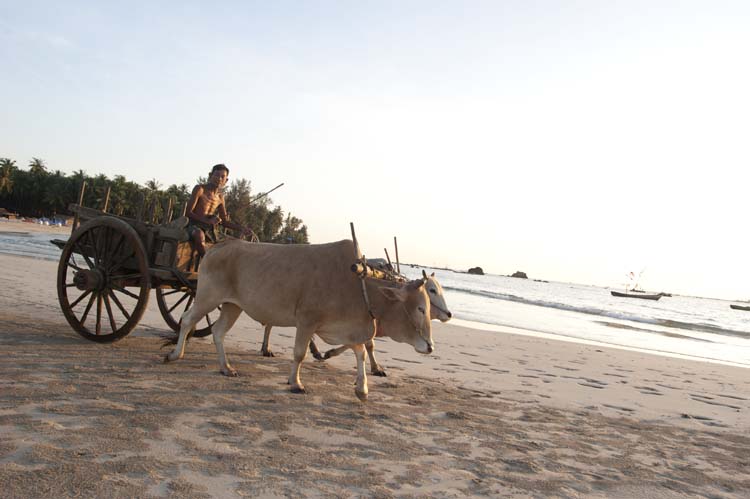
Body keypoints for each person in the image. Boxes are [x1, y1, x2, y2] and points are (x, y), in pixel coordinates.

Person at [186, 163, 255, 256]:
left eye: (222, 177)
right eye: (217, 175)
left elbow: (225, 222)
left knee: (233, 244)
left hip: (210, 230)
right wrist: (207, 221)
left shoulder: (220, 198)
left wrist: (242, 229)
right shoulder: (200, 189)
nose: (219, 179)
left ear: (226, 180)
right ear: (210, 175)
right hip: (194, 226)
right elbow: (188, 212)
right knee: (199, 235)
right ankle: (207, 262)